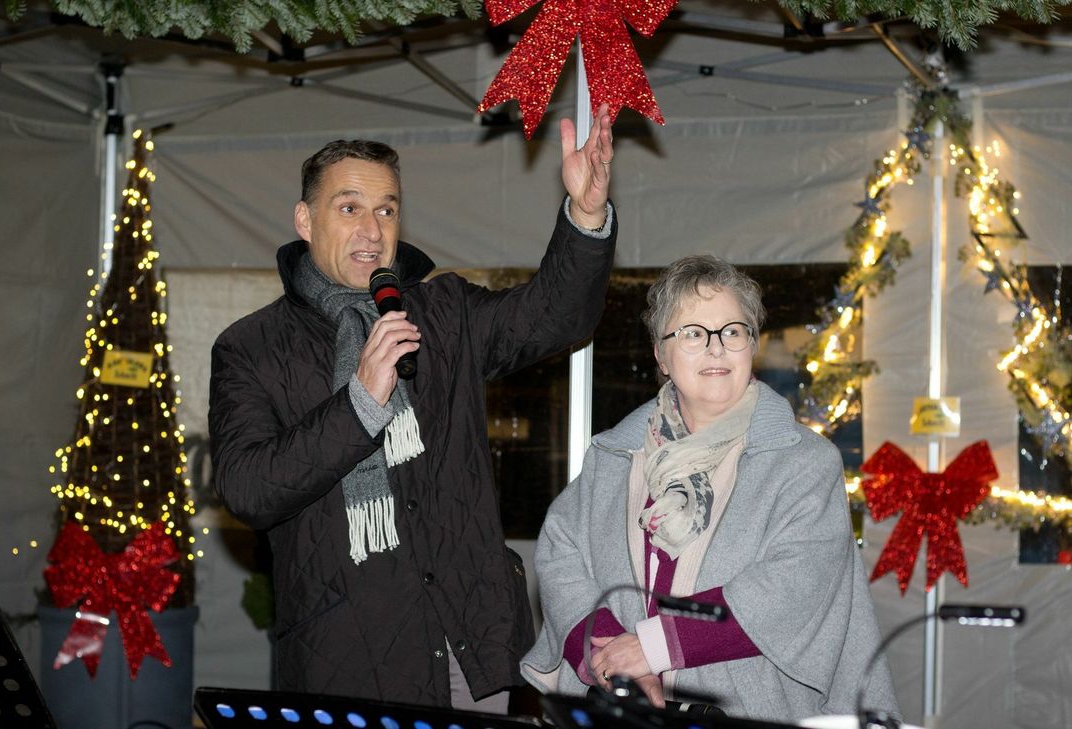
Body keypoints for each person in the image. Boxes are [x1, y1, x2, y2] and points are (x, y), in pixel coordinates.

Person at [208, 106, 617, 710]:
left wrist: (585, 216)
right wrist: (358, 406)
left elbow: (554, 317)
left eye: (387, 209)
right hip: (347, 653)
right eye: (349, 208)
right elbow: (248, 490)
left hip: (471, 639)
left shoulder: (442, 313)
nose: (372, 230)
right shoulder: (250, 348)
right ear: (304, 219)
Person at [521, 255, 899, 723]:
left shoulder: (805, 462)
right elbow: (561, 555)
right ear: (661, 355)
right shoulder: (614, 456)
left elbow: (790, 585)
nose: (716, 348)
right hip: (621, 711)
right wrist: (608, 656)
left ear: (751, 346)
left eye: (732, 331)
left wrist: (654, 648)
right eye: (693, 334)